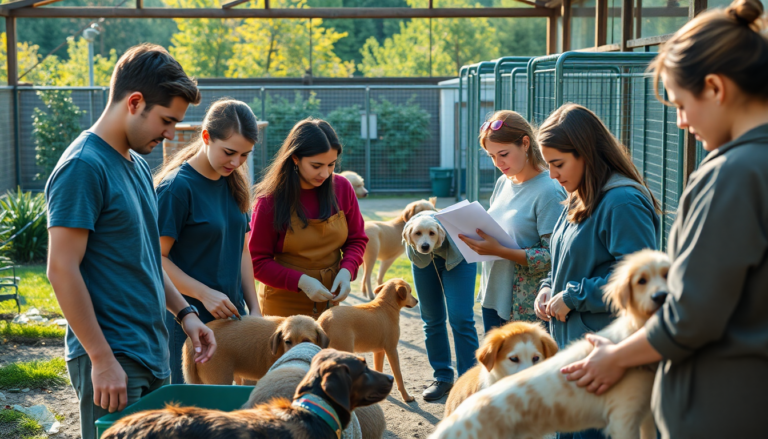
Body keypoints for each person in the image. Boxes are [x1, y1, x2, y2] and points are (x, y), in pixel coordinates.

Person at [560, 1, 768, 437]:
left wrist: (615, 356)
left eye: (680, 104)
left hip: (721, 412)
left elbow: (693, 314)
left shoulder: (733, 173)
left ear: (715, 87)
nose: (680, 121)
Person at [44, 44, 216, 439]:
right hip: (114, 358)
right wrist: (101, 358)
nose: (171, 134)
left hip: (152, 354)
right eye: (166, 120)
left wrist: (186, 314)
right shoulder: (83, 166)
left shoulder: (137, 164)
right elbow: (61, 269)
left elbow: (146, 259)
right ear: (135, 102)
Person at [534, 103, 661, 439]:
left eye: (558, 164)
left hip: (605, 362)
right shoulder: (579, 194)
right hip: (573, 355)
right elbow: (564, 260)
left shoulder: (623, 202)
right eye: (548, 165)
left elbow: (641, 284)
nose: (552, 175)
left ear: (586, 153)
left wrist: (574, 297)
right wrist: (548, 286)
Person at [153, 99, 262, 384]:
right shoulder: (176, 188)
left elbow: (242, 250)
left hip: (233, 322)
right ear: (206, 137)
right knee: (192, 407)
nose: (236, 162)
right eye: (229, 152)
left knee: (227, 407)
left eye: (245, 155)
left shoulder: (235, 184)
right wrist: (204, 294)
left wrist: (255, 310)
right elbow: (156, 259)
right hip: (186, 321)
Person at [248, 118, 368, 318]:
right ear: (295, 158)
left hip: (329, 306)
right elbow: (257, 262)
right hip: (282, 309)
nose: (325, 173)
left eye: (331, 165)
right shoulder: (269, 201)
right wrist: (302, 282)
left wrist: (347, 270)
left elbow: (357, 239)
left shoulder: (343, 188)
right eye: (316, 165)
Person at [458, 110, 566, 332]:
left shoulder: (549, 191)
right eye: (491, 156)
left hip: (525, 308)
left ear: (525, 143)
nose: (498, 163)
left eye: (503, 154)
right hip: (492, 297)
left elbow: (555, 256)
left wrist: (500, 251)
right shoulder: (503, 182)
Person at [405, 210, 480, 401]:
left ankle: (469, 381)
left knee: (461, 318)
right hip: (424, 262)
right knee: (431, 318)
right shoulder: (411, 241)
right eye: (418, 234)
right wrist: (422, 241)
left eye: (431, 234)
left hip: (459, 256)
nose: (424, 241)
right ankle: (443, 378)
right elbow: (419, 241)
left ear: (439, 233)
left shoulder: (450, 235)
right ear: (409, 236)